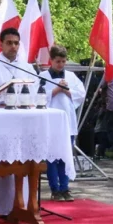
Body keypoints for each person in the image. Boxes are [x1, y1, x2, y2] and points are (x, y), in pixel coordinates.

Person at [0, 27, 40, 217]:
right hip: (1, 125)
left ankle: (23, 203)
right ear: (1, 44)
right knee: (1, 164)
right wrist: (3, 94)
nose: (13, 46)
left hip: (23, 123)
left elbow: (35, 93)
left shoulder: (27, 67)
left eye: (16, 43)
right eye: (9, 42)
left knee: (23, 162)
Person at [40, 46, 86, 201]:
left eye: (63, 61)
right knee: (52, 156)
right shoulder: (43, 75)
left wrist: (67, 90)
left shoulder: (71, 76)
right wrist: (54, 91)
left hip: (67, 120)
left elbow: (80, 94)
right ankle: (55, 188)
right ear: (51, 60)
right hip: (51, 121)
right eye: (57, 61)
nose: (60, 64)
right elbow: (37, 96)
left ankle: (65, 187)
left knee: (66, 155)